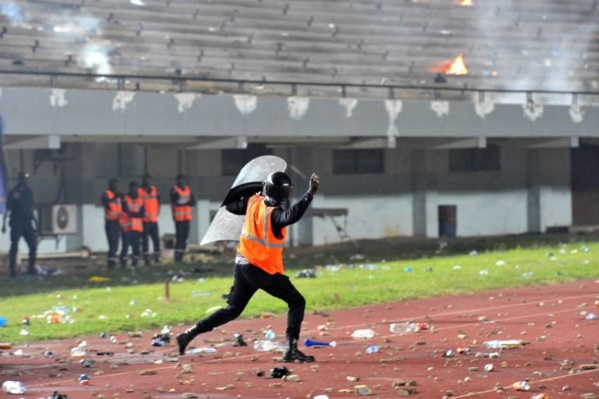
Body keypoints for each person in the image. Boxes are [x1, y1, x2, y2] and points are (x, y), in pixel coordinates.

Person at [176, 171, 320, 363]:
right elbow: (291, 216)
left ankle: (189, 333)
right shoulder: (274, 215)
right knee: (296, 302)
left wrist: (252, 187)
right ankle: (291, 350)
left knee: (232, 309)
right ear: (285, 195)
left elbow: (230, 205)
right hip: (262, 269)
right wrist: (309, 194)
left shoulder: (253, 201)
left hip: (242, 264)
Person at [2, 172, 37, 278]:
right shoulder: (13, 192)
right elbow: (8, 209)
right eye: (23, 179)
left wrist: (36, 223)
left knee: (33, 245)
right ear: (20, 179)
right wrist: (3, 224)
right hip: (17, 222)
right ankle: (12, 270)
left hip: (27, 222)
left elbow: (31, 208)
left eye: (26, 179)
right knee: (14, 246)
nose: (25, 181)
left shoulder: (29, 192)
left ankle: (31, 267)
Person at [170, 173, 195, 263]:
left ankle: (181, 256)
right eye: (180, 180)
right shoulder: (174, 189)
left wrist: (183, 201)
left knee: (185, 237)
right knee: (179, 237)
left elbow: (193, 202)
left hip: (187, 218)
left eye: (183, 180)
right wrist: (186, 201)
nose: (181, 182)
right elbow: (177, 200)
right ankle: (177, 257)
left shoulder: (188, 189)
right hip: (179, 218)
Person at [119, 181, 145, 268]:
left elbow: (142, 214)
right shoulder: (125, 198)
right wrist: (135, 214)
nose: (133, 190)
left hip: (137, 228)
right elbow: (125, 210)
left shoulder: (141, 200)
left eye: (135, 188)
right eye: (131, 188)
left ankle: (135, 264)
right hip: (126, 227)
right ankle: (123, 265)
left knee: (136, 248)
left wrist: (132, 214)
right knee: (125, 247)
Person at [139, 174, 161, 265]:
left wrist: (158, 209)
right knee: (145, 240)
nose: (147, 182)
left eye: (148, 180)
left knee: (156, 239)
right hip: (145, 220)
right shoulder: (139, 191)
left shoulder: (154, 189)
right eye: (145, 180)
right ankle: (146, 259)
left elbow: (158, 199)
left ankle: (157, 258)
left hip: (154, 219)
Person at [101, 178, 122, 269]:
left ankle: (113, 261)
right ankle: (111, 264)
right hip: (110, 222)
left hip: (118, 222)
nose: (115, 187)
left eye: (116, 185)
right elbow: (106, 203)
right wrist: (114, 198)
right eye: (113, 185)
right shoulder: (106, 194)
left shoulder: (118, 196)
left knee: (116, 245)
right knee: (112, 244)